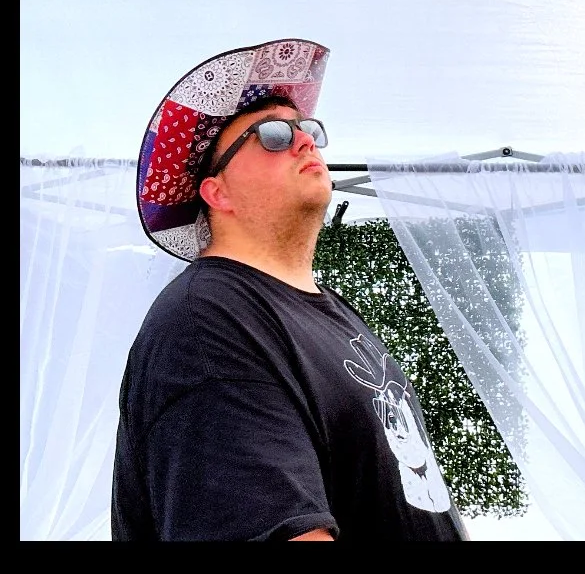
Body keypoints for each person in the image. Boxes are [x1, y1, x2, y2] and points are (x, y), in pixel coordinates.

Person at [111, 37, 470, 540]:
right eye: (274, 135)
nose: (304, 140)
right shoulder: (205, 322)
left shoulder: (328, 312)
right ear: (217, 191)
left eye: (307, 128)